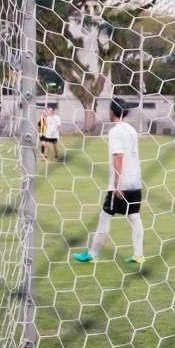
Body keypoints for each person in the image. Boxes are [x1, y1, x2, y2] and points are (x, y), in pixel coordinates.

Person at [75, 101, 144, 264]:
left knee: (105, 216)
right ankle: (139, 255)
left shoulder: (115, 131)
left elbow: (118, 156)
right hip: (135, 182)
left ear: (112, 112)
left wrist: (117, 185)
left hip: (122, 184)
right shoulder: (131, 130)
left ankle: (92, 254)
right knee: (134, 217)